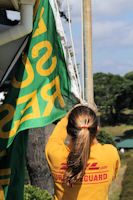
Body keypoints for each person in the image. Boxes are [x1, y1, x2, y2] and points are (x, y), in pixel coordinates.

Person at [45, 105, 120, 200]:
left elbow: (55, 138)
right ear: (97, 129)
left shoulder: (55, 154)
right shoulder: (110, 154)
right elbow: (113, 176)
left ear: (68, 130)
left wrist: (68, 115)